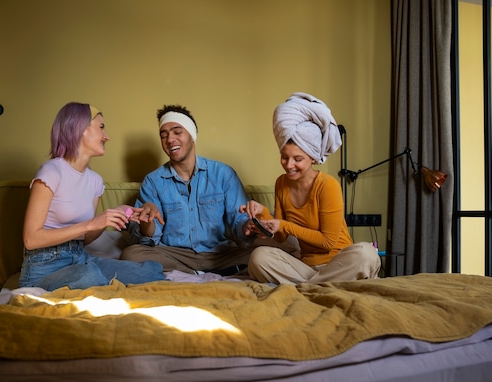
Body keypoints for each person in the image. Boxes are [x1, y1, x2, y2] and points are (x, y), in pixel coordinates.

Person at [19, 102, 165, 291]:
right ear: (79, 128)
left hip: (80, 258)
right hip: (43, 268)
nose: (107, 137)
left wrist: (113, 216)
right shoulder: (51, 172)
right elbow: (31, 239)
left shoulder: (95, 181)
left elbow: (85, 239)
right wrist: (91, 223)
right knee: (90, 276)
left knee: (150, 272)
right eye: (101, 127)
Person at [240, 92, 381, 284]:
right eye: (284, 157)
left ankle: (308, 286)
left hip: (339, 263)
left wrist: (285, 225)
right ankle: (321, 285)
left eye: (298, 159)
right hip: (306, 267)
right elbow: (280, 237)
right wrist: (262, 213)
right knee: (259, 257)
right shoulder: (281, 183)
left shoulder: (327, 185)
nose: (289, 165)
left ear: (313, 157)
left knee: (367, 254)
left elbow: (328, 242)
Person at [120, 104, 257, 274]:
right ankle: (200, 272)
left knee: (262, 254)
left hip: (219, 254)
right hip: (175, 255)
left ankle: (206, 270)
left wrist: (248, 225)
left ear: (192, 136)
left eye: (177, 132)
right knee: (131, 255)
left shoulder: (223, 174)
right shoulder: (153, 181)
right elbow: (148, 240)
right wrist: (146, 221)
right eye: (164, 136)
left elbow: (239, 222)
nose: (170, 140)